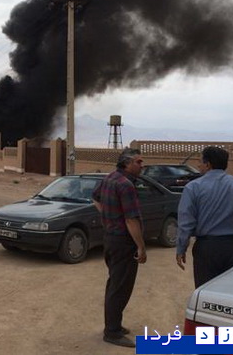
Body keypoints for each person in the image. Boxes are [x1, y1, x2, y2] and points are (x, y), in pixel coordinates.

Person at [176, 146, 233, 287]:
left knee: (206, 291)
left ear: (208, 164)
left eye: (200, 161)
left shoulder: (193, 188)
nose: (198, 165)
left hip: (206, 250)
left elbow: (186, 222)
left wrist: (181, 248)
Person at [92, 148, 146, 348]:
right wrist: (141, 247)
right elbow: (131, 220)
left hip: (111, 239)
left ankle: (114, 325)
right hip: (123, 242)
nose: (142, 165)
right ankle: (112, 332)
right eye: (138, 162)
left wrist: (108, 216)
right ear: (127, 163)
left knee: (115, 283)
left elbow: (95, 197)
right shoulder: (125, 185)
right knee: (120, 287)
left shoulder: (110, 178)